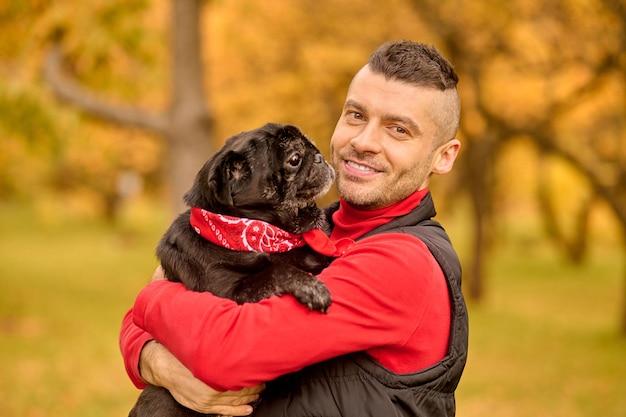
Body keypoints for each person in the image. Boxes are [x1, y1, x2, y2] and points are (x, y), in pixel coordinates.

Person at [120, 40, 468, 417]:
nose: (365, 141)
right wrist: (157, 362)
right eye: (355, 115)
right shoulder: (301, 229)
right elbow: (151, 329)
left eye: (398, 129)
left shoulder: (403, 262)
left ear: (443, 156)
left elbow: (230, 353)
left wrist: (153, 297)